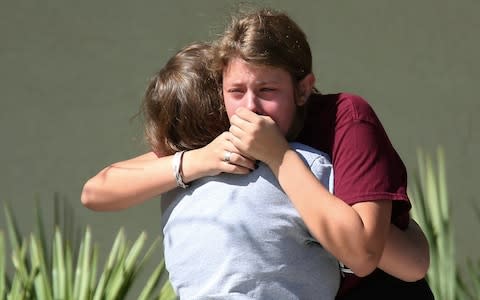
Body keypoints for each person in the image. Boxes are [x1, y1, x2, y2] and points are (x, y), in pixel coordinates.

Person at [81, 8, 432, 299]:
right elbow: (97, 191)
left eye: (268, 90)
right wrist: (199, 160)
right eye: (236, 90)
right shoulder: (223, 131)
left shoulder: (346, 120)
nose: (251, 106)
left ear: (303, 89)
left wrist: (279, 157)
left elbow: (374, 257)